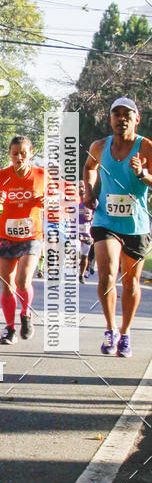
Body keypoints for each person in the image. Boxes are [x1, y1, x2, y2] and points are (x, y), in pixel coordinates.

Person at [83, 97, 152, 357]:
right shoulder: (100, 146)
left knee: (131, 283)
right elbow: (89, 167)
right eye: (116, 114)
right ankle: (110, 328)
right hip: (106, 220)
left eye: (127, 114)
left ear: (136, 119)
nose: (121, 118)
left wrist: (142, 174)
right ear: (110, 118)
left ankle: (125, 333)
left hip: (136, 223)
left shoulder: (146, 147)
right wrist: (89, 191)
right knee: (107, 275)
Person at [0, 136, 45, 344]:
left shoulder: (41, 175)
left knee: (22, 281)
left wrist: (49, 201)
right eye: (15, 153)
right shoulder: (1, 176)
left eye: (23, 153)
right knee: (7, 284)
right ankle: (10, 328)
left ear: (30, 153)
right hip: (6, 237)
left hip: (31, 236)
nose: (19, 157)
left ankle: (26, 313)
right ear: (10, 154)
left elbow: (59, 201)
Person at [78, 181, 93, 283]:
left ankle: (81, 275)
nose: (82, 189)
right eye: (79, 187)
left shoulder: (92, 200)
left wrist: (91, 217)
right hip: (74, 230)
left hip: (87, 232)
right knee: (75, 251)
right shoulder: (73, 200)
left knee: (84, 256)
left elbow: (99, 213)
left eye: (83, 187)